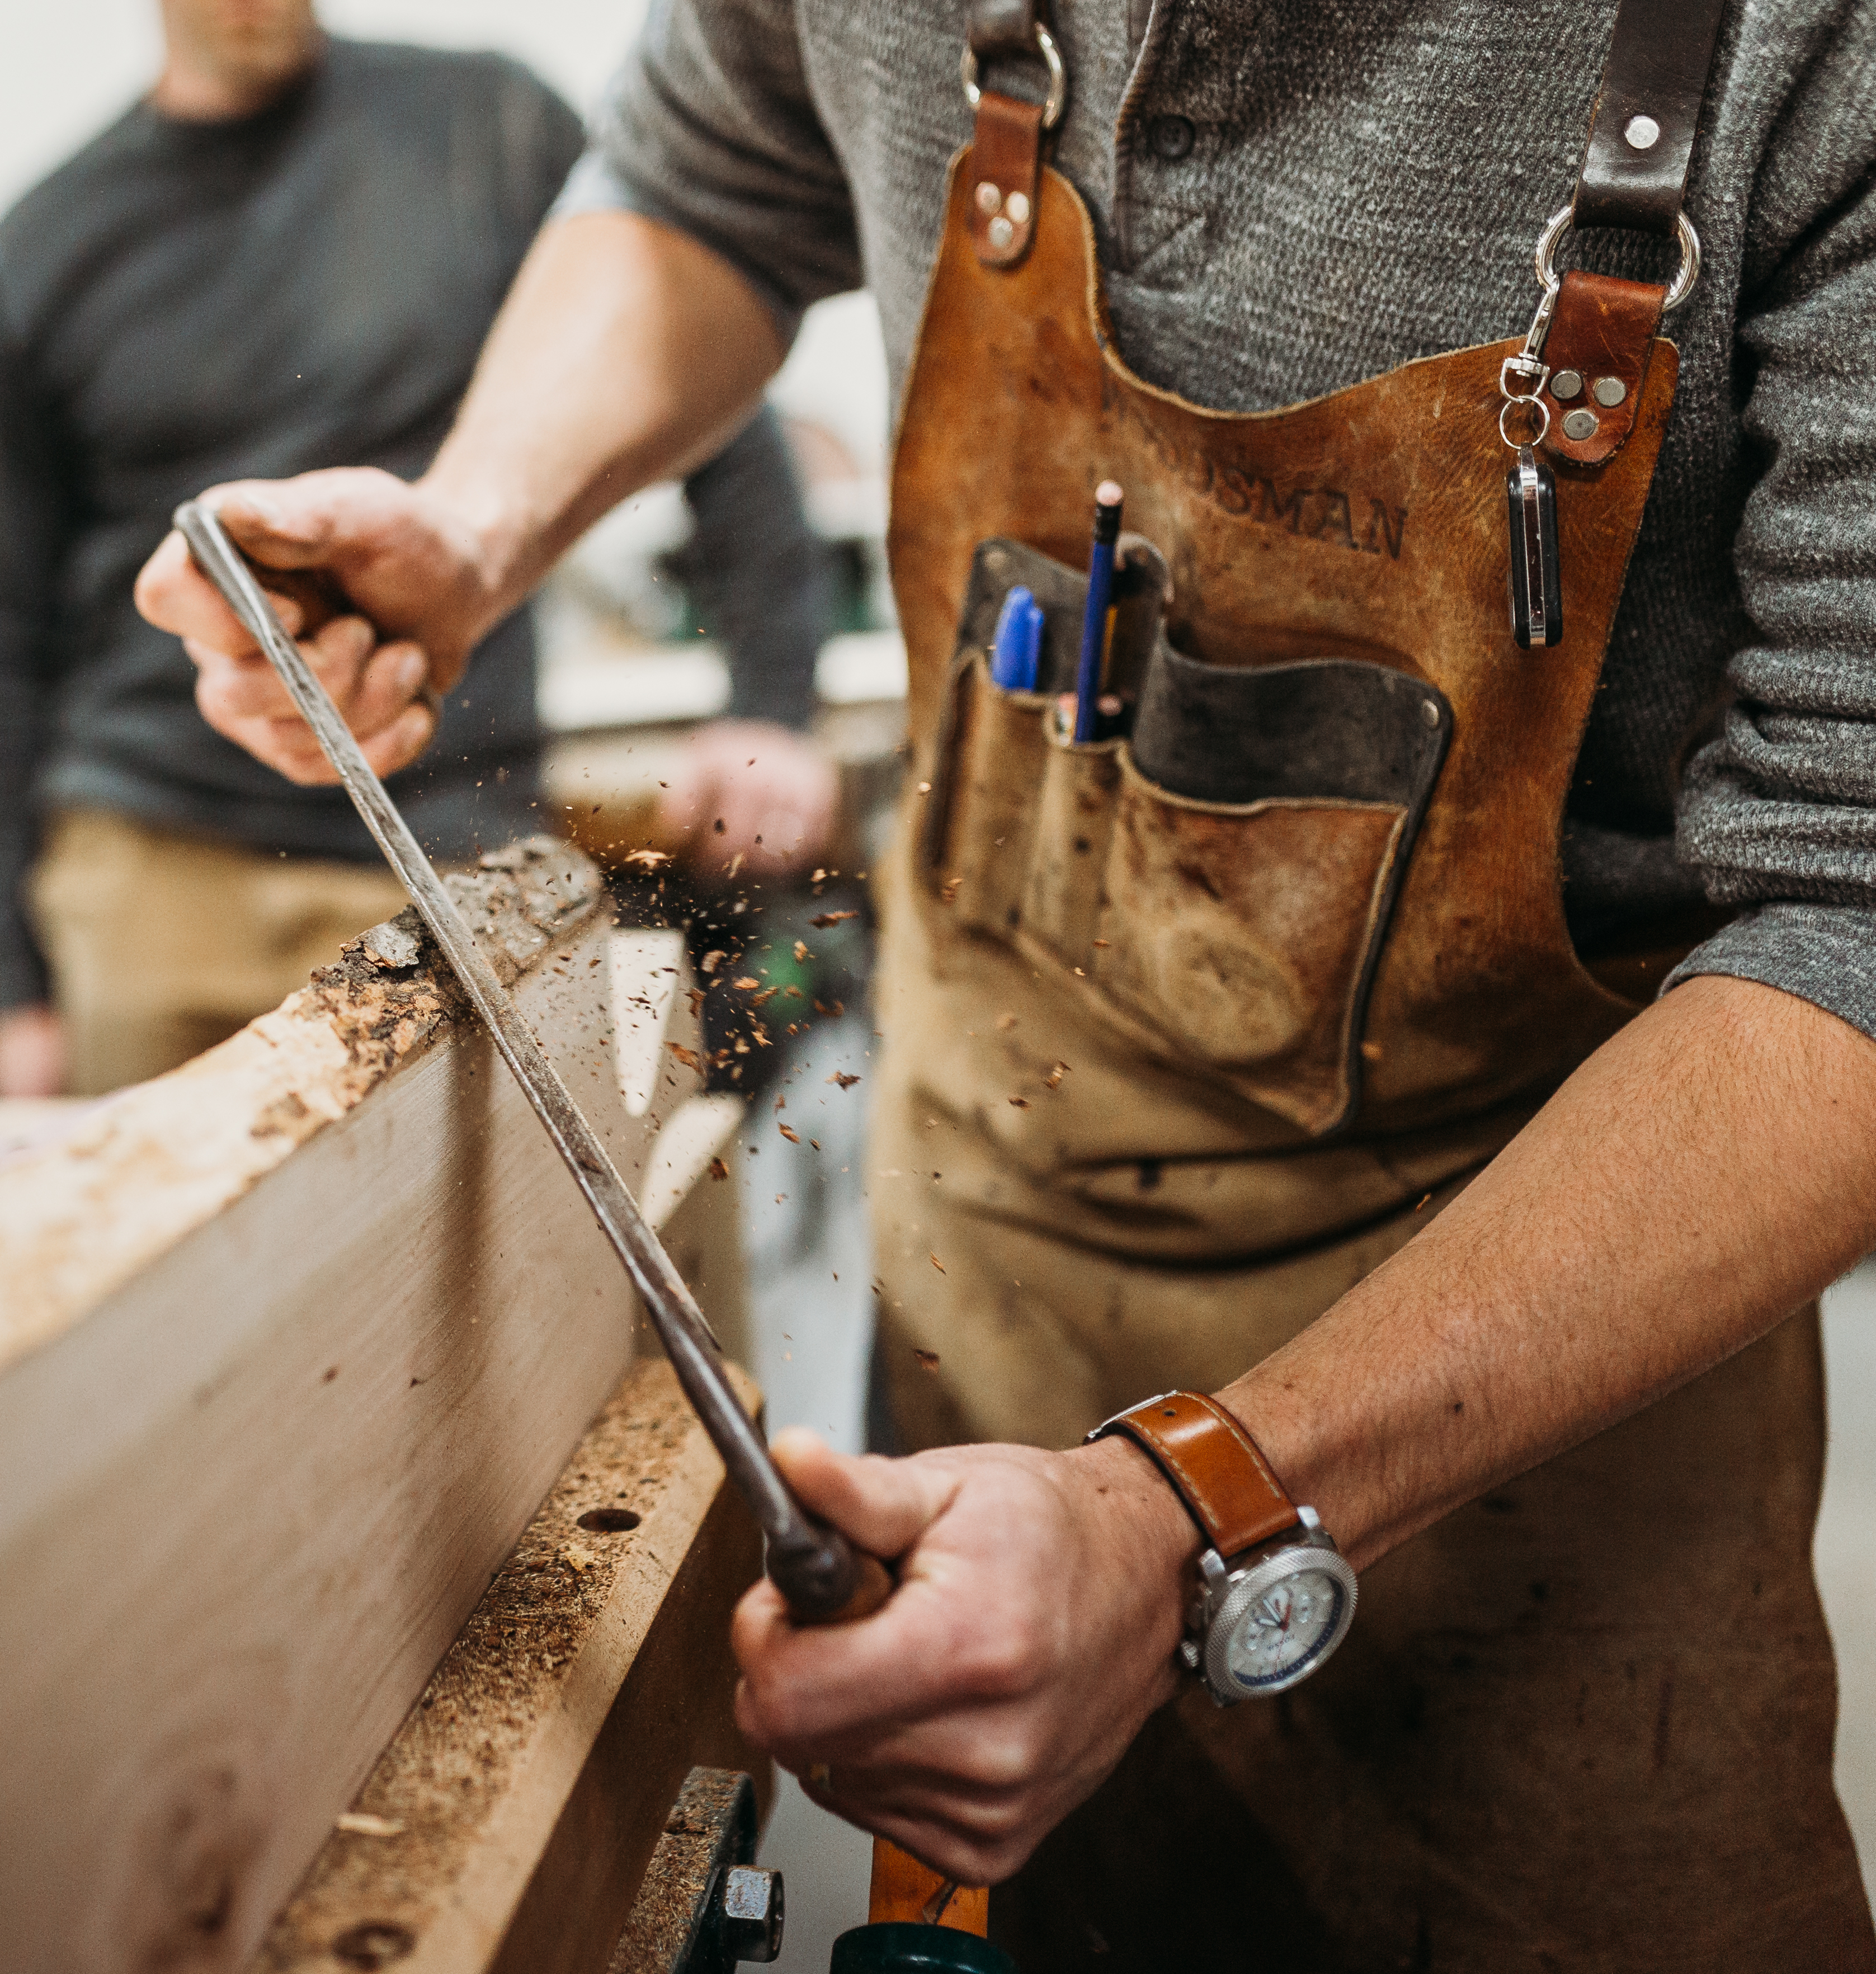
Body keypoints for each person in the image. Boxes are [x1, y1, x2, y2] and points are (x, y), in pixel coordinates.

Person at [138, 0, 1876, 1963]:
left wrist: (1180, 1508)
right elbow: (704, 176)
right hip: (994, 1263)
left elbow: (1854, 922)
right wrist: (479, 519)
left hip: (1538, 1373)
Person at [0, 0, 841, 1099]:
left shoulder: (489, 132)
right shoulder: (44, 247)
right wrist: (8, 987)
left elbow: (710, 405)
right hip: (154, 864)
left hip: (447, 841)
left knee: (509, 1250)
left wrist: (771, 702)